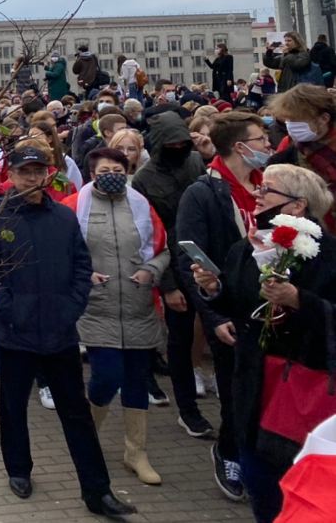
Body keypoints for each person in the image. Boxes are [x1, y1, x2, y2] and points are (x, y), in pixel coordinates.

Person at [0, 142, 138, 519]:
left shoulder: (64, 217)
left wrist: (71, 308)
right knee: (13, 406)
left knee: (76, 414)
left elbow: (82, 265)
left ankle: (97, 491)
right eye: (25, 172)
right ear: (11, 175)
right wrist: (8, 309)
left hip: (59, 332)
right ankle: (19, 469)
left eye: (39, 172)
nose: (32, 179)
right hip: (17, 333)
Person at [191, 165, 336, 522]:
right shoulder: (248, 247)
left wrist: (299, 300)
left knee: (297, 481)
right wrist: (214, 289)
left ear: (298, 205)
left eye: (267, 189)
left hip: (305, 383)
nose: (257, 195)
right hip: (254, 379)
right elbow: (238, 303)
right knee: (258, 477)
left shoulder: (327, 253)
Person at [175, 111, 270, 502]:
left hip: (270, 302)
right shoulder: (204, 192)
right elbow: (191, 257)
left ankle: (261, 457)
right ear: (239, 146)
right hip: (228, 306)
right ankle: (229, 452)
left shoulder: (270, 185)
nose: (268, 145)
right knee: (235, 391)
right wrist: (213, 315)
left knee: (266, 390)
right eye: (261, 139)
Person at [75, 147, 169, 486]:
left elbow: (162, 250)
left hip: (137, 306)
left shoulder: (142, 206)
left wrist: (151, 270)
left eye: (119, 170)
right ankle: (86, 440)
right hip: (97, 308)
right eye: (105, 171)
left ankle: (136, 452)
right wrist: (84, 275)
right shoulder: (75, 207)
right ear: (92, 174)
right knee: (106, 375)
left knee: (136, 379)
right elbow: (65, 253)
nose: (113, 175)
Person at [131, 111, 214, 439]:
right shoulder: (144, 179)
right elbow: (151, 234)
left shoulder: (195, 162)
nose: (178, 149)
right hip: (175, 268)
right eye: (172, 145)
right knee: (179, 342)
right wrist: (167, 285)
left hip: (207, 261)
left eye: (183, 143)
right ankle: (188, 410)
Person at [266, 84, 336, 227]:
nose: (290, 126)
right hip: (308, 226)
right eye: (288, 120)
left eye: (297, 120)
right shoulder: (289, 145)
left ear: (324, 118)